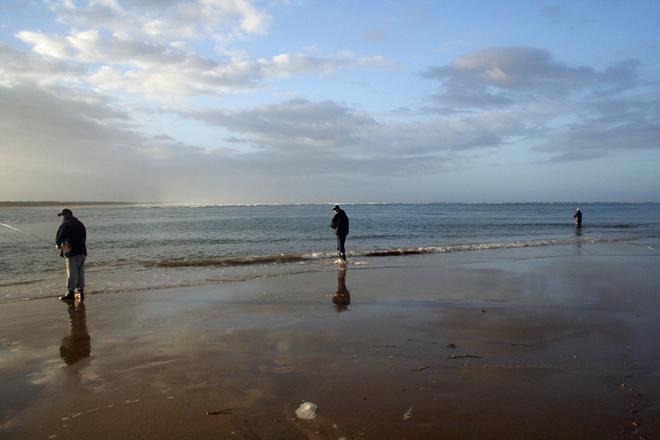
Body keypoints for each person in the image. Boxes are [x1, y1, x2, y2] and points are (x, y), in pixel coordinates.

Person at [55, 208, 87, 301]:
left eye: (62, 215)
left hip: (72, 252)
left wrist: (58, 245)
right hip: (82, 251)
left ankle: (70, 293)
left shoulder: (66, 224)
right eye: (61, 215)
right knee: (80, 272)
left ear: (67, 215)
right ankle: (80, 292)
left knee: (72, 273)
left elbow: (59, 237)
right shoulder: (80, 223)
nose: (61, 217)